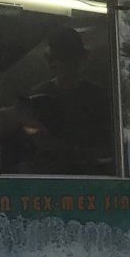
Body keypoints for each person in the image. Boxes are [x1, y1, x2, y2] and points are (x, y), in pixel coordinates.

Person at [18, 24, 115, 173]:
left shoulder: (96, 95)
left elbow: (107, 141)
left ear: (82, 61)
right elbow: (32, 134)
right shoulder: (38, 97)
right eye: (62, 61)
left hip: (92, 173)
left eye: (73, 61)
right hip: (50, 174)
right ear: (52, 63)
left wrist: (87, 156)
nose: (69, 67)